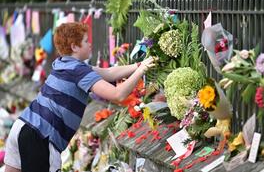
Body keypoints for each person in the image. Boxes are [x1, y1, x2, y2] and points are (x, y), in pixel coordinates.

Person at [4, 22, 155, 172]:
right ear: (74, 46)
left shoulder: (63, 63)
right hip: (40, 136)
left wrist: (137, 65)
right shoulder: (78, 71)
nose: (90, 44)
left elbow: (109, 73)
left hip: (22, 125)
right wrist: (141, 70)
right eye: (85, 41)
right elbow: (118, 94)